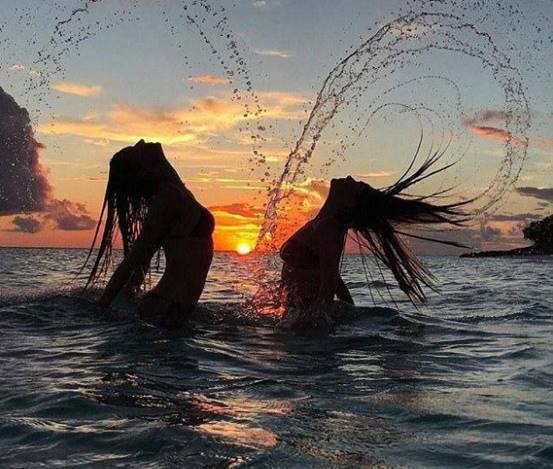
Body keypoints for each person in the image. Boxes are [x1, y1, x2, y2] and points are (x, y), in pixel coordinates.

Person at [279, 155, 469, 332]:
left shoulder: (329, 228)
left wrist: (313, 323)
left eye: (356, 185)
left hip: (306, 331)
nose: (349, 178)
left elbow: (328, 286)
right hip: (301, 321)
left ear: (350, 203)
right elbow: (333, 278)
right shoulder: (324, 224)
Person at [83, 140, 215, 327]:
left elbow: (142, 259)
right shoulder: (168, 198)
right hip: (165, 306)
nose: (143, 144)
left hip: (172, 307)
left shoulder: (175, 190)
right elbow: (134, 260)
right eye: (137, 151)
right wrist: (102, 306)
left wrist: (129, 291)